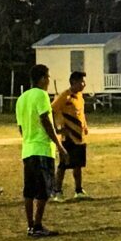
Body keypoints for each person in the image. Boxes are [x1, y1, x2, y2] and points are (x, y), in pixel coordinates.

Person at [16, 64, 66, 238]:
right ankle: (37, 225)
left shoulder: (21, 98)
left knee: (29, 190)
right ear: (43, 78)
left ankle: (30, 225)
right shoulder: (42, 95)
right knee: (44, 190)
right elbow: (45, 120)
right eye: (48, 77)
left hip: (27, 149)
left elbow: (21, 127)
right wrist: (58, 145)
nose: (49, 81)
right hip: (42, 149)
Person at [51, 70, 89, 201]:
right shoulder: (65, 96)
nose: (84, 84)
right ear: (74, 82)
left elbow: (80, 114)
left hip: (79, 137)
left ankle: (78, 190)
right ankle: (57, 191)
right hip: (68, 137)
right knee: (63, 165)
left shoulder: (80, 96)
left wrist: (85, 126)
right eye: (81, 82)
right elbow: (51, 111)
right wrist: (57, 129)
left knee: (78, 165)